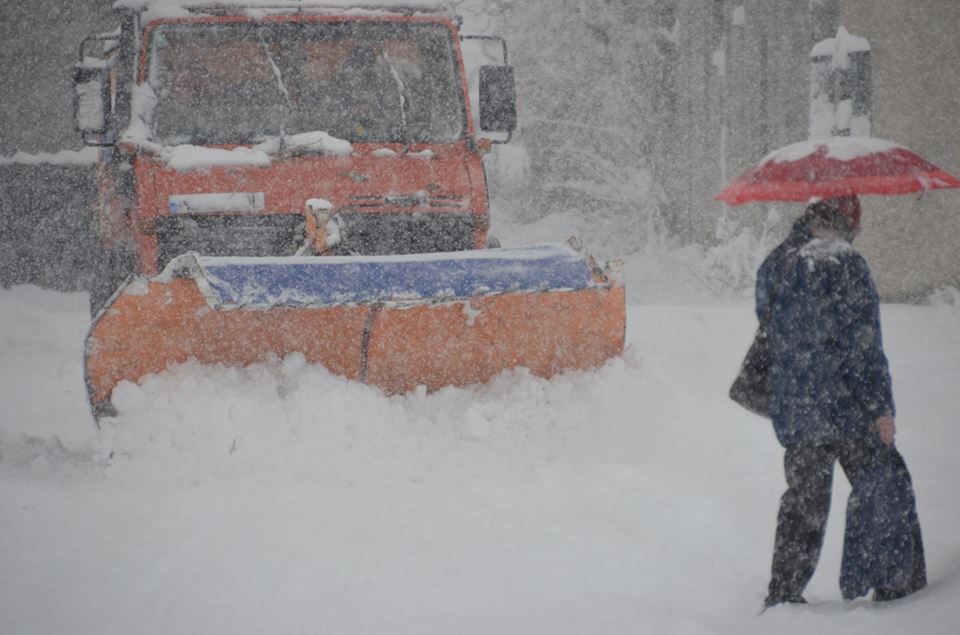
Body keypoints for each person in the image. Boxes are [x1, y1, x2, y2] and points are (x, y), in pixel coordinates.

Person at [756, 195, 927, 607]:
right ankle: (896, 581)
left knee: (804, 502)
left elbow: (769, 326)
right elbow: (863, 347)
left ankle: (784, 592)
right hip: (847, 408)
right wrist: (881, 409)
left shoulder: (776, 262)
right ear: (848, 222)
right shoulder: (847, 264)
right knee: (885, 483)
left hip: (797, 408)